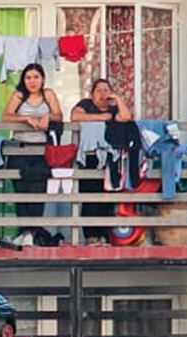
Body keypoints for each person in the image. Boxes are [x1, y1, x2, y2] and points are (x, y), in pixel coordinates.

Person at [0, 63, 61, 246]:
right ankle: (23, 232)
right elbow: (6, 116)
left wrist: (47, 117)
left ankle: (33, 233)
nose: (32, 81)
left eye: (36, 77)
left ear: (42, 79)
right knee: (21, 190)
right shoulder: (19, 95)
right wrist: (26, 118)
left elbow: (59, 115)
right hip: (20, 149)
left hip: (42, 150)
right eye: (28, 78)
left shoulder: (48, 94)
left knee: (38, 190)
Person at [70, 78, 133, 245]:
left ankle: (104, 236)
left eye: (106, 90)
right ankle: (90, 237)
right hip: (89, 157)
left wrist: (118, 99)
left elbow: (126, 117)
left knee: (107, 196)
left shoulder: (114, 109)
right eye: (98, 90)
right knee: (90, 197)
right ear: (92, 94)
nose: (102, 93)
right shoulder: (86, 104)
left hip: (110, 158)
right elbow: (75, 116)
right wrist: (101, 117)